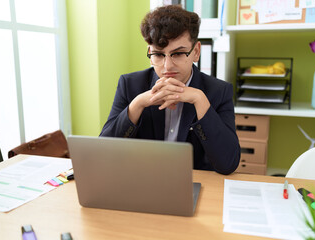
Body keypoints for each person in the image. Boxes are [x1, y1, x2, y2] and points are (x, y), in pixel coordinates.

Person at [100, 5, 240, 175]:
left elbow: (228, 164)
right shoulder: (130, 85)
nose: (167, 66)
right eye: (158, 55)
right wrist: (137, 104)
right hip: (141, 181)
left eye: (178, 54)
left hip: (193, 185)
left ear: (196, 52)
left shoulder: (219, 91)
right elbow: (103, 155)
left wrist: (200, 100)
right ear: (150, 53)